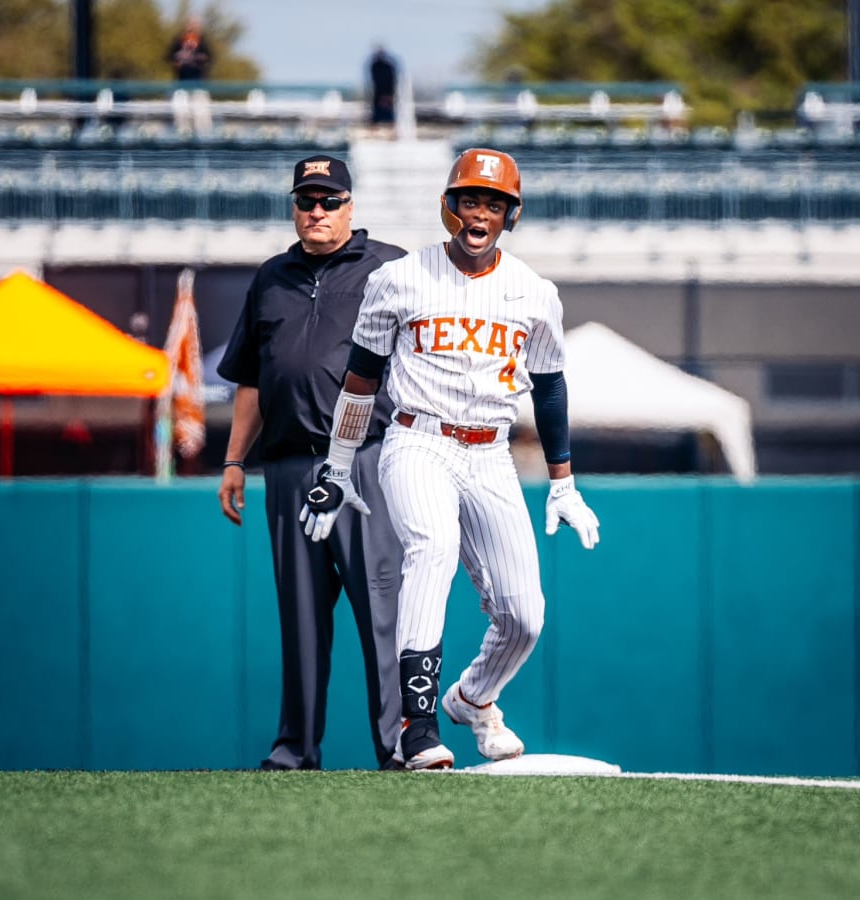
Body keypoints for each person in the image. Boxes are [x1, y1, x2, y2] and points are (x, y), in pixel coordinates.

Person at [300, 148, 600, 770]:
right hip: (416, 439)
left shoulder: (535, 293)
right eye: (470, 199)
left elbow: (549, 387)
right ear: (449, 207)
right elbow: (361, 379)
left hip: (490, 452)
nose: (480, 213)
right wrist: (336, 466)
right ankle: (418, 723)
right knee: (429, 548)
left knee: (525, 614)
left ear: (509, 214)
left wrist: (563, 481)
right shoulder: (401, 278)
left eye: (493, 202)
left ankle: (474, 698)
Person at [216, 155, 408, 771]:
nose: (317, 211)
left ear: (351, 206)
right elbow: (250, 377)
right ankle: (295, 748)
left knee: (385, 614)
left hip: (367, 465)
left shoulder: (390, 267)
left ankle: (401, 743)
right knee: (299, 620)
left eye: (329, 200)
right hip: (290, 468)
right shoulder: (272, 277)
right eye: (306, 201)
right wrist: (233, 460)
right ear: (293, 207)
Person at [168, 16, 212, 82]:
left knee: (200, 92)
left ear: (199, 27)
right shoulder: (178, 42)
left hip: (199, 83)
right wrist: (178, 62)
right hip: (181, 82)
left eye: (195, 24)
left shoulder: (203, 43)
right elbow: (170, 57)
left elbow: (209, 60)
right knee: (175, 92)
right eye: (189, 24)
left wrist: (198, 60)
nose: (192, 27)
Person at [368, 46, 397, 130]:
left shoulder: (388, 66)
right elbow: (375, 80)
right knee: (377, 115)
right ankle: (375, 130)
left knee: (389, 114)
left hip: (387, 93)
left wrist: (389, 94)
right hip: (379, 93)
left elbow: (392, 80)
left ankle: (391, 130)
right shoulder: (375, 65)